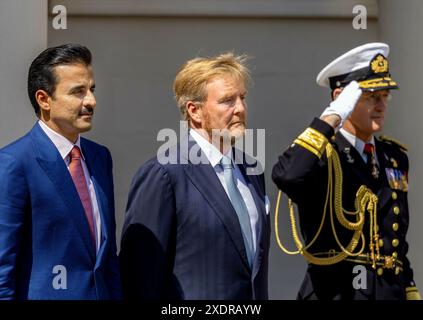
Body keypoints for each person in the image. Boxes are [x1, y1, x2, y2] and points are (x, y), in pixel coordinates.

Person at [272, 43, 420, 300]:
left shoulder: (393, 157)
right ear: (341, 97)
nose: (381, 105)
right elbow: (287, 175)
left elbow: (396, 242)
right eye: (370, 96)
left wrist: (410, 291)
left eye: (384, 96)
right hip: (337, 291)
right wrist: (332, 117)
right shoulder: (320, 154)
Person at [120, 53, 270, 300]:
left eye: (242, 98)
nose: (241, 109)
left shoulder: (251, 170)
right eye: (227, 101)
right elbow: (140, 277)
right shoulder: (164, 174)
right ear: (195, 111)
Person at [0, 44, 121, 299]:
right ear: (44, 99)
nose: (91, 101)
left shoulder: (100, 157)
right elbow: (3, 268)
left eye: (91, 90)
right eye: (78, 92)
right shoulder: (14, 163)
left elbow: (107, 256)